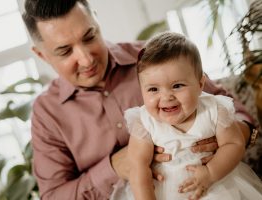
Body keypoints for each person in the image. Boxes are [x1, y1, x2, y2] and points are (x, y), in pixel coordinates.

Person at [21, 0, 257, 199]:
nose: (86, 59)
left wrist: (230, 138)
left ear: (96, 19)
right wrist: (114, 167)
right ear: (41, 54)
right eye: (65, 51)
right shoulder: (47, 114)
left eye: (90, 36)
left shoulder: (154, 60)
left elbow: (237, 112)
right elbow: (53, 196)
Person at [110, 32, 262, 200]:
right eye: (153, 89)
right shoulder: (144, 121)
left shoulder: (215, 109)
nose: (167, 96)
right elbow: (138, 166)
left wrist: (211, 173)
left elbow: (234, 143)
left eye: (177, 86)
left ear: (200, 84)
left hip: (215, 185)